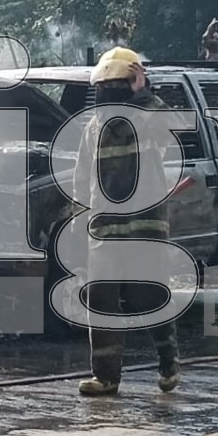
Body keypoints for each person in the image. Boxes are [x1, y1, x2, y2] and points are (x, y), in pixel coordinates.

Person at [76, 46, 182, 397]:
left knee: (148, 297)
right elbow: (81, 180)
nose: (109, 91)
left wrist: (144, 92)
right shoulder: (93, 127)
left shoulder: (146, 119)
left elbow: (171, 127)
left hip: (145, 228)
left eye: (117, 84)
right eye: (106, 85)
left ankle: (168, 362)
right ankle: (105, 378)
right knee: (101, 302)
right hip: (104, 233)